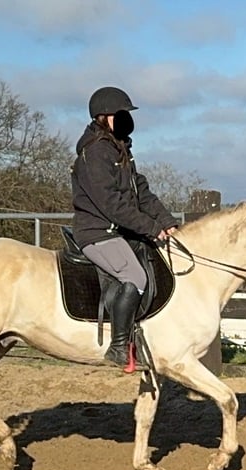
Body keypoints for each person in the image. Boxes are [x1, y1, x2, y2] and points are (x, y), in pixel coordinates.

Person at [71, 86, 179, 369]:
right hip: (97, 232)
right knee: (136, 276)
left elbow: (141, 193)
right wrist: (151, 227)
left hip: (117, 231)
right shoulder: (95, 153)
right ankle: (119, 347)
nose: (126, 121)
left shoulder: (121, 151)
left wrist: (168, 223)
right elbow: (112, 204)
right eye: (121, 115)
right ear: (103, 118)